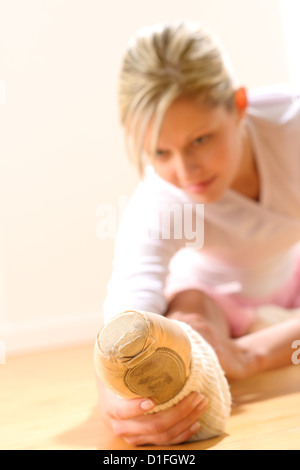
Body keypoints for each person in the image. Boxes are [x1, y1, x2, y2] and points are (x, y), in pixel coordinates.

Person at [99, 20, 300, 446]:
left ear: (239, 105)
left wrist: (250, 356)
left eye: (201, 140)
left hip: (292, 275)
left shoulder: (292, 129)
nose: (185, 172)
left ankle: (253, 344)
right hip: (211, 305)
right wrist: (118, 401)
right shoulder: (160, 199)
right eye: (160, 153)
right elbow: (124, 322)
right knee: (184, 313)